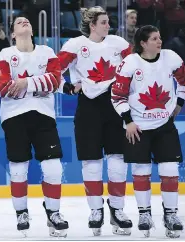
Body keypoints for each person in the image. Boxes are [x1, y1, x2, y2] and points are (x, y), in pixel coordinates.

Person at [57, 6, 133, 236]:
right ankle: (96, 210)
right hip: (88, 107)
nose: (108, 25)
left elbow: (136, 67)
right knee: (91, 161)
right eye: (103, 22)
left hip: (115, 105)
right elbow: (54, 70)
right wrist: (67, 87)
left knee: (118, 160)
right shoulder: (75, 45)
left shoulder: (119, 44)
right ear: (92, 25)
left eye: (108, 21)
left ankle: (118, 209)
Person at [0, 16, 68, 237]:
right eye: (19, 22)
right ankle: (21, 213)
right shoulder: (5, 55)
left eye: (27, 21)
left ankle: (53, 213)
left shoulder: (47, 52)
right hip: (13, 116)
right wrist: (40, 84)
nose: (24, 22)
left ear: (33, 29)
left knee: (54, 168)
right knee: (18, 168)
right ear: (13, 34)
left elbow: (55, 82)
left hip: (44, 115)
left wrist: (26, 82)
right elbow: (4, 88)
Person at [111, 25, 185, 238]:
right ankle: (145, 214)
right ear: (143, 43)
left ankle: (170, 214)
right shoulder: (130, 63)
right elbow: (117, 96)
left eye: (160, 37)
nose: (159, 41)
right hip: (137, 127)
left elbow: (184, 81)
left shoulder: (171, 58)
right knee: (141, 171)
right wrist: (128, 121)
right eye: (154, 39)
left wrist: (179, 102)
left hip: (164, 125)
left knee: (170, 169)